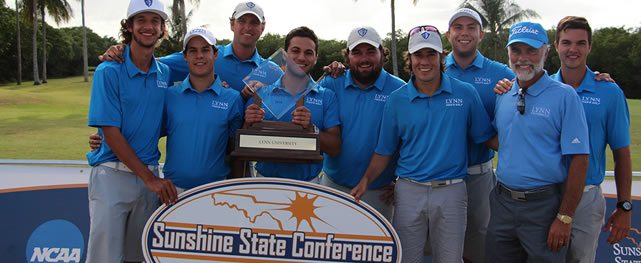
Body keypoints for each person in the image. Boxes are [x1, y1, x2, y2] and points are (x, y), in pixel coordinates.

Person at [351, 25, 496, 263]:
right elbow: (384, 150)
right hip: (409, 190)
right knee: (406, 257)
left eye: (431, 54)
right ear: (410, 59)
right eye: (418, 55)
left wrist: (523, 139)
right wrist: (366, 179)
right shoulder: (396, 100)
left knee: (450, 259)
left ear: (442, 57)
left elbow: (485, 137)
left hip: (452, 189)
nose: (425, 61)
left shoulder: (466, 93)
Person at [495, 17, 632, 263]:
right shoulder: (529, 86)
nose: (573, 49)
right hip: (546, 197)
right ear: (555, 47)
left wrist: (624, 206)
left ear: (590, 47)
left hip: (585, 196)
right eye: (567, 42)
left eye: (581, 43)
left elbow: (622, 153)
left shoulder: (608, 90)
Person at [486, 21, 590, 263]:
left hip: (544, 206)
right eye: (516, 50)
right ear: (508, 54)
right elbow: (505, 140)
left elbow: (580, 159)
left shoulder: (565, 96)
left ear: (545, 51)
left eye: (531, 50)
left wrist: (564, 216)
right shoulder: (504, 94)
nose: (523, 58)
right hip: (502, 203)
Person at [85, 0, 176, 262]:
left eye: (155, 21)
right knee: (105, 257)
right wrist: (149, 178)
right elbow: (111, 131)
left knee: (140, 256)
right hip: (112, 175)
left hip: (148, 177)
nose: (148, 27)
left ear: (162, 29)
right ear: (129, 26)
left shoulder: (165, 71)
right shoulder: (108, 71)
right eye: (141, 20)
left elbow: (203, 62)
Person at [442, 8, 514, 263]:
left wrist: (593, 75)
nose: (464, 33)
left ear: (481, 34)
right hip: (439, 177)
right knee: (442, 249)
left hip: (478, 176)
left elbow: (539, 86)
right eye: (458, 27)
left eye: (471, 27)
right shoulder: (433, 69)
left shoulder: (501, 73)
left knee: (477, 248)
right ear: (449, 34)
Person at [318, 26, 406, 221]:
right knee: (328, 248)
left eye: (370, 51)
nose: (364, 58)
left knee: (375, 251)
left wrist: (403, 182)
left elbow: (411, 141)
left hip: (379, 193)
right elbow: (305, 107)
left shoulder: (400, 90)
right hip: (333, 186)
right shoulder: (332, 83)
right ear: (347, 56)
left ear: (382, 53)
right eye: (357, 52)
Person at [99, 1, 266, 96]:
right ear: (232, 24)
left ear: (262, 27)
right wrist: (122, 50)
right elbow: (147, 63)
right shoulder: (206, 54)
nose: (247, 28)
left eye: (254, 23)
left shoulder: (269, 70)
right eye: (242, 21)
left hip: (245, 151)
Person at [244, 26, 341, 182]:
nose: (301, 58)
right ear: (285, 55)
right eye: (295, 51)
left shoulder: (326, 96)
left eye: (308, 53)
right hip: (264, 182)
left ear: (316, 58)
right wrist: (248, 124)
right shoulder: (261, 92)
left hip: (309, 184)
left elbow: (334, 147)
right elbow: (243, 138)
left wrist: (311, 128)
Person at [163, 27, 245, 193]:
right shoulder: (169, 96)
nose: (199, 56)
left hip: (215, 192)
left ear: (215, 55)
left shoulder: (232, 98)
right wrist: (102, 138)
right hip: (173, 191)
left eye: (205, 50)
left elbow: (236, 151)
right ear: (185, 56)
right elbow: (146, 134)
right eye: (192, 51)